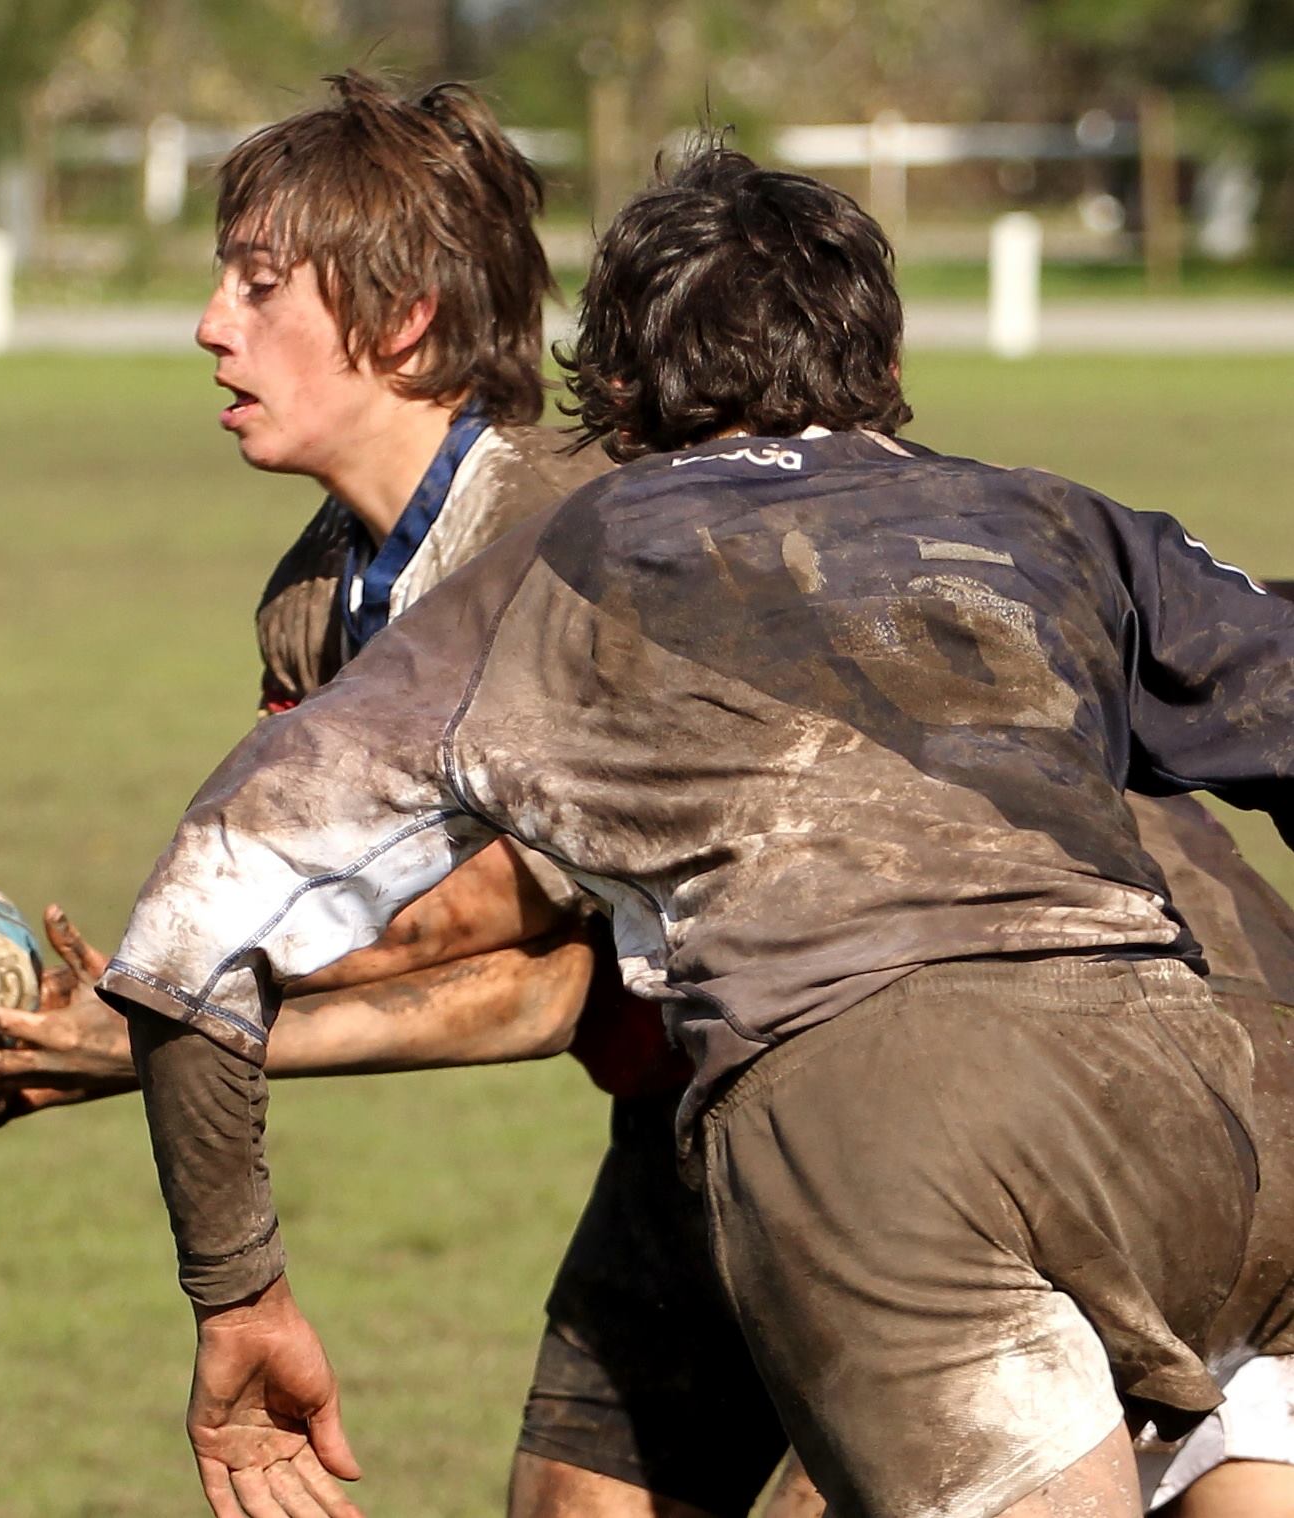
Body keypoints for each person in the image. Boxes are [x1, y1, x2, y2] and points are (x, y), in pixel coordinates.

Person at [89, 146, 1294, 1518]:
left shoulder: (570, 556)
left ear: (610, 393)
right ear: (878, 359)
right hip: (1240, 1104)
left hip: (891, 1122)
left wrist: (236, 1286)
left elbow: (204, 916)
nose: (211, 322)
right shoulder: (1050, 514)